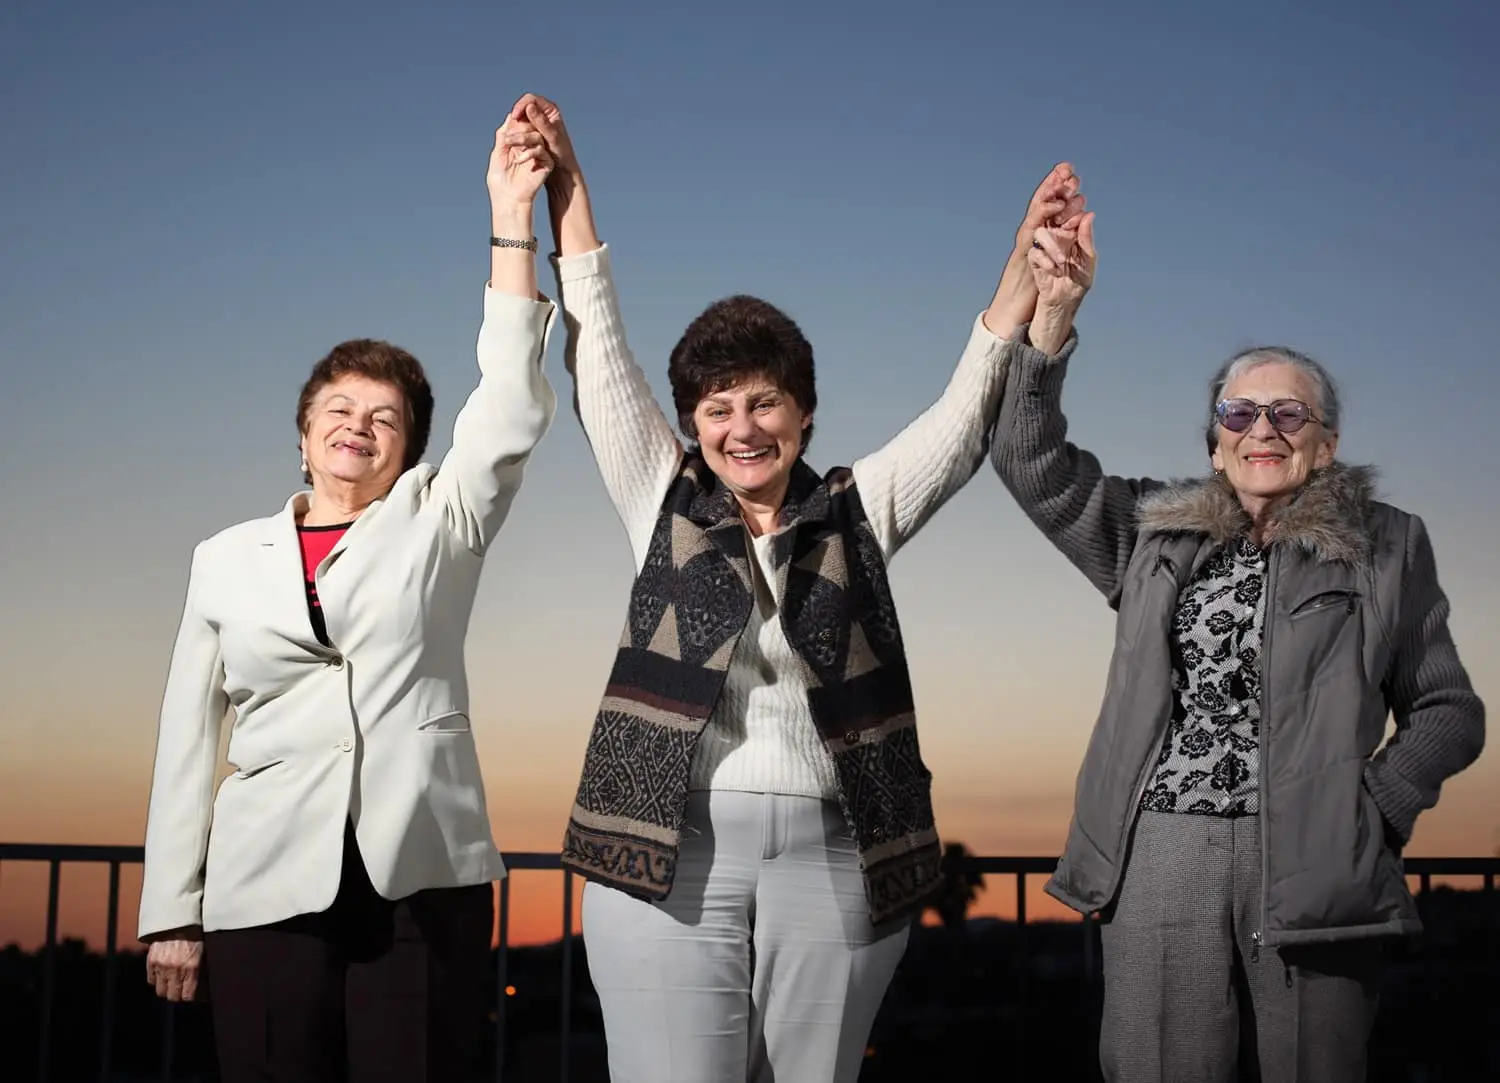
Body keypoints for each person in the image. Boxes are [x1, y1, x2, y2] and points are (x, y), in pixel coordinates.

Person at [504, 93, 1087, 1083]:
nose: (743, 427)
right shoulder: (662, 494)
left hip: (838, 850)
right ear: (692, 423)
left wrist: (1022, 268)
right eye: (718, 407)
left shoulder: (860, 510)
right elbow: (598, 348)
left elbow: (965, 412)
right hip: (667, 845)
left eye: (765, 402)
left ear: (805, 416)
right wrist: (570, 187)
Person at [990, 210, 1485, 1080]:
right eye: (1240, 410)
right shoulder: (1151, 532)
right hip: (1164, 852)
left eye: (1290, 411)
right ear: (1216, 446)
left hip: (1321, 858)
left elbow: (1449, 709)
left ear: (1326, 446)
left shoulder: (1388, 543)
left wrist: (1374, 805)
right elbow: (1029, 459)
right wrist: (1054, 320)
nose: (1265, 426)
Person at [136, 107, 560, 1081]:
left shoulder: (441, 522)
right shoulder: (223, 559)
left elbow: (510, 399)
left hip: (421, 884)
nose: (359, 426)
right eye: (339, 409)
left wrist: (508, 218)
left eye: (386, 417)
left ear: (411, 447)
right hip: (261, 890)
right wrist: (171, 910)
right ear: (301, 434)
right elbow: (185, 742)